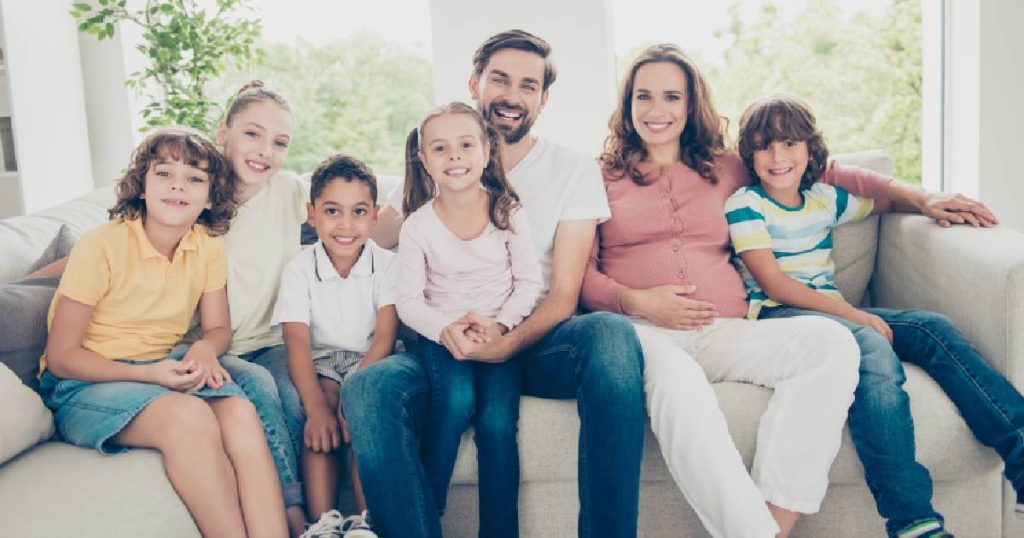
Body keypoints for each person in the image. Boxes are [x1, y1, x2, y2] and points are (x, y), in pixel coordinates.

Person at [580, 43, 999, 538]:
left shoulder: (727, 166)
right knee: (682, 389)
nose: (657, 110)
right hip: (645, 335)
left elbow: (829, 171)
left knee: (832, 344)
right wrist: (637, 300)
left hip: (725, 330)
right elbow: (580, 276)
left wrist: (925, 198)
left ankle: (773, 523)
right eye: (643, 97)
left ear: (691, 106)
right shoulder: (597, 177)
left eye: (672, 97)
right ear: (627, 105)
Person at [345, 30, 645, 538]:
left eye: (528, 85)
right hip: (446, 340)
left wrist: (505, 342)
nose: (511, 94)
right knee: (369, 386)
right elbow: (367, 238)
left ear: (543, 98)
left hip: (535, 337)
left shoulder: (571, 171)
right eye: (499, 79)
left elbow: (562, 294)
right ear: (474, 82)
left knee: (612, 337)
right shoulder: (432, 172)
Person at [726, 94, 1022, 538]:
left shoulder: (822, 199)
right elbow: (775, 285)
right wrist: (853, 315)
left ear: (810, 150)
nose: (777, 156)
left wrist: (926, 202)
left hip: (836, 314)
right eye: (764, 146)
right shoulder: (745, 204)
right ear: (748, 154)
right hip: (783, 318)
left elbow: (882, 203)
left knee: (931, 328)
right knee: (871, 350)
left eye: (789, 144)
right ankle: (912, 519)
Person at [39, 126, 286, 537]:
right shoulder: (100, 246)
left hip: (161, 368)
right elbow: (63, 357)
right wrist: (149, 375)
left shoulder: (205, 244)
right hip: (83, 383)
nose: (178, 186)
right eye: (164, 173)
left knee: (240, 412)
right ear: (141, 185)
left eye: (195, 178)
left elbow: (218, 327)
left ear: (210, 196)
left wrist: (206, 349)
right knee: (188, 416)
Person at [397, 102, 543, 537]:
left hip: (499, 335)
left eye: (465, 145)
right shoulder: (417, 226)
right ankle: (427, 519)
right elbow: (408, 301)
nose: (455, 156)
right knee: (456, 403)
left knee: (498, 424)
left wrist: (500, 327)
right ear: (424, 162)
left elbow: (529, 283)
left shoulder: (507, 211)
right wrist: (445, 329)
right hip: (443, 337)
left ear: (485, 152)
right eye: (440, 148)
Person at [272, 154, 395, 538]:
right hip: (320, 359)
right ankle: (323, 522)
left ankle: (364, 520)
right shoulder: (299, 269)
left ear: (374, 215)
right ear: (312, 215)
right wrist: (316, 409)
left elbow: (386, 336)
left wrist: (354, 391)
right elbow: (296, 340)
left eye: (358, 211)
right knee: (320, 414)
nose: (345, 224)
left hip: (371, 359)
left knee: (362, 412)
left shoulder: (388, 265)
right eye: (332, 211)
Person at [212, 80, 310, 535]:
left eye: (280, 142)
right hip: (215, 347)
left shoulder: (289, 190)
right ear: (222, 133)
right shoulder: (193, 194)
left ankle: (316, 512)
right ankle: (291, 512)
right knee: (258, 389)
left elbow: (361, 213)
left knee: (295, 396)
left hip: (273, 340)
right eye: (252, 134)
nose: (264, 150)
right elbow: (115, 243)